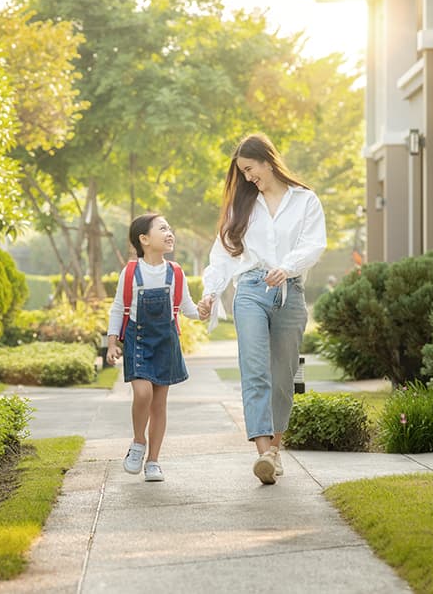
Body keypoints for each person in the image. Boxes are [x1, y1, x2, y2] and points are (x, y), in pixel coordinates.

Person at [199, 133, 326, 485]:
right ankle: (263, 454)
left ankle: (274, 451)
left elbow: (314, 245)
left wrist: (286, 267)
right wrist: (210, 293)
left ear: (268, 161)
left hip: (290, 291)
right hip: (251, 290)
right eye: (242, 173)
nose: (248, 178)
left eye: (250, 169)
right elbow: (223, 253)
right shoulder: (243, 206)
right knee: (255, 371)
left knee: (283, 376)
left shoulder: (305, 201)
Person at [106, 213, 202, 482]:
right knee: (142, 393)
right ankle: (138, 442)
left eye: (170, 228)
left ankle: (153, 462)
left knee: (159, 404)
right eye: (162, 229)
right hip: (138, 340)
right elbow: (117, 309)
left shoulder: (176, 272)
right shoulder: (130, 272)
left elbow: (188, 308)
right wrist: (112, 342)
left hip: (166, 342)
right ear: (144, 239)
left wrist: (202, 310)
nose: (169, 233)